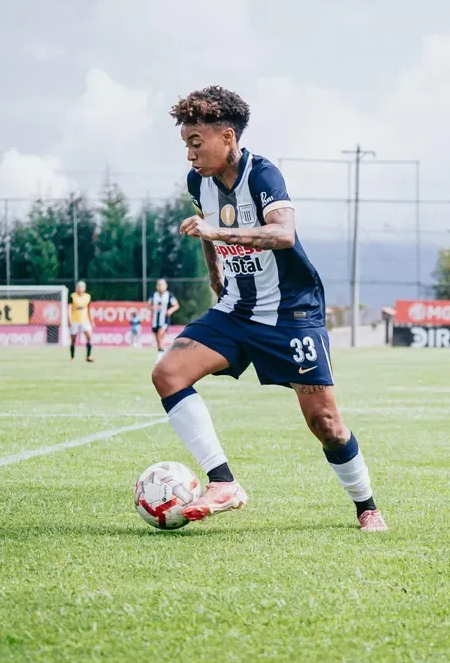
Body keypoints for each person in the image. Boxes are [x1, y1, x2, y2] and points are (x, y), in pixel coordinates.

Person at [151, 86, 387, 531]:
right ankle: (223, 483)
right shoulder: (196, 182)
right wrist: (213, 273)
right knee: (168, 373)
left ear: (227, 136)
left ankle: (366, 505)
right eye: (185, 144)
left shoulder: (263, 175)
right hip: (237, 310)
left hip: (292, 314)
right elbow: (207, 226)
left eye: (195, 143)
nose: (189, 154)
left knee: (326, 422)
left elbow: (283, 234)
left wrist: (218, 236)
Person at [149, 279, 179, 364]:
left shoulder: (169, 295)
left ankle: (160, 357)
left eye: (162, 284)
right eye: (158, 284)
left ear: (166, 286)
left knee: (159, 336)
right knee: (158, 340)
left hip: (164, 321)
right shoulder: (153, 295)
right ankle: (163, 353)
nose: (160, 286)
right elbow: (148, 305)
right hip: (155, 321)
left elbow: (176, 305)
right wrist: (152, 308)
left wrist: (170, 311)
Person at [68, 281, 94, 362]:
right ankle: (72, 357)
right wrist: (69, 320)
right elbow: (69, 308)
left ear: (84, 288)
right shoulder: (72, 296)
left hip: (85, 320)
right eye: (78, 287)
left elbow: (89, 309)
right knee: (73, 339)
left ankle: (88, 356)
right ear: (76, 288)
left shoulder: (88, 297)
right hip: (75, 321)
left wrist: (91, 320)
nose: (80, 289)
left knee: (89, 337)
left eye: (81, 287)